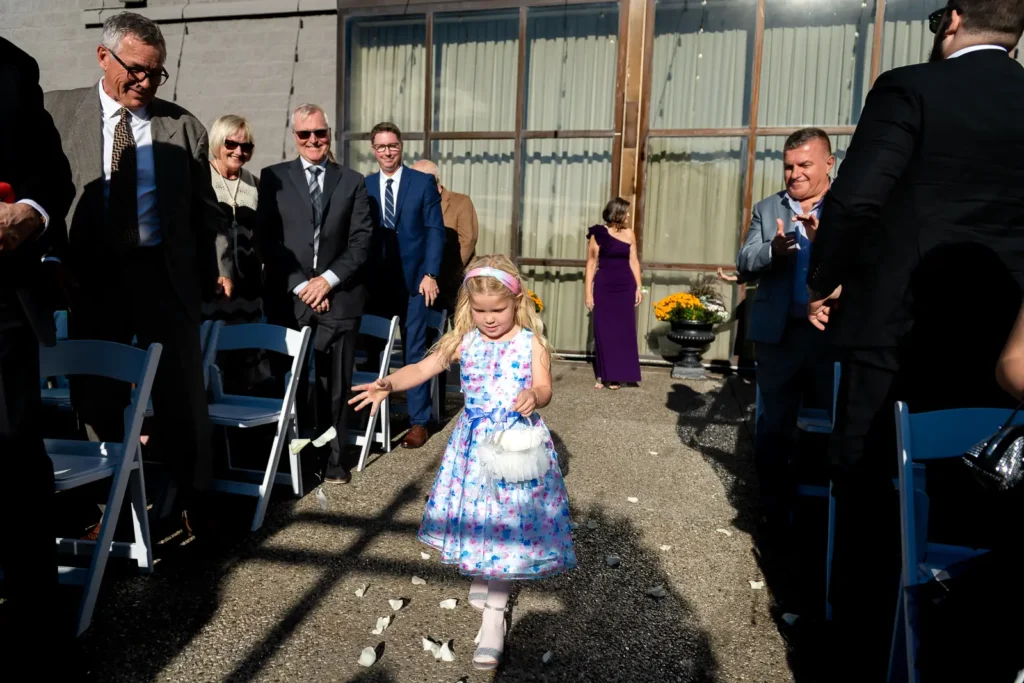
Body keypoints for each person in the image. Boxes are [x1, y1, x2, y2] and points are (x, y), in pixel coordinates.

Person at [803, 1, 1024, 678]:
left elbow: (857, 199)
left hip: (894, 335)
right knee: (979, 498)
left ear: (951, 20)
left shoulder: (911, 88)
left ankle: (860, 651)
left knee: (870, 497)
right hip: (1005, 348)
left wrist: (826, 277)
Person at [43, 11, 232, 534]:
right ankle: (96, 506)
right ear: (104, 57)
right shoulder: (57, 113)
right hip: (90, 282)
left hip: (163, 281)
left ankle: (193, 500)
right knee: (94, 398)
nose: (146, 83)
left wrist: (221, 264)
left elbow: (206, 208)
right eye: (138, 70)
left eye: (157, 73)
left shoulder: (182, 126)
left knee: (182, 398)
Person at [349, 254, 577, 670]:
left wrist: (535, 396)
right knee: (479, 515)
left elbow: (544, 388)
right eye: (480, 310)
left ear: (517, 300)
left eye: (498, 310)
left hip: (514, 445)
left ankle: (494, 619)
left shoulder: (531, 343)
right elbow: (422, 367)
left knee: (508, 523)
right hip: (473, 447)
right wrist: (389, 384)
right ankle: (483, 572)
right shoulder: (464, 340)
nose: (489, 319)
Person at [0, 35, 76, 651]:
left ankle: (35, 633)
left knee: (14, 463)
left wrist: (29, 211)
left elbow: (51, 174)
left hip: (1, 306)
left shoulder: (13, 68)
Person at [257, 103, 373, 485]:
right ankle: (292, 459)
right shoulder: (273, 177)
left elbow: (361, 241)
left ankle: (335, 461)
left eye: (319, 133)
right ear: (294, 137)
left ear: (329, 134)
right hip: (290, 297)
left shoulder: (353, 181)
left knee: (336, 385)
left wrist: (327, 280)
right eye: (304, 134)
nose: (313, 140)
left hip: (340, 298)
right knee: (286, 381)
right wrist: (305, 284)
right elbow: (267, 241)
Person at [736, 128, 835, 533]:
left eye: (804, 165)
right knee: (774, 424)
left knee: (834, 422)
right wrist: (770, 252)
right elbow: (743, 260)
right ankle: (774, 511)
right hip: (779, 335)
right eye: (788, 166)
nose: (794, 174)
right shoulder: (767, 208)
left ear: (829, 163)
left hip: (831, 333)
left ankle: (827, 508)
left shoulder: (849, 205)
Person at [363, 122, 445, 449]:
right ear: (373, 150)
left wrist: (431, 274)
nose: (387, 152)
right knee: (373, 349)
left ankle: (418, 422)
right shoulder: (364, 185)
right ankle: (369, 415)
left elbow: (435, 231)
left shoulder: (421, 182)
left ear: (401, 147)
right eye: (381, 147)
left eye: (392, 146)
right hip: (376, 283)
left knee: (414, 349)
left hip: (415, 282)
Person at [409, 158, 479, 317]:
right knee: (432, 330)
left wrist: (445, 272)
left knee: (459, 328)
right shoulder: (415, 204)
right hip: (427, 281)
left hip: (456, 277)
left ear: (434, 179)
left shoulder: (460, 201)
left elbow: (468, 240)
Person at [585, 197, 642, 390]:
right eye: (625, 212)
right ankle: (607, 375)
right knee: (605, 330)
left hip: (625, 286)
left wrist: (638, 286)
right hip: (604, 286)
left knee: (623, 330)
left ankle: (622, 373)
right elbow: (591, 263)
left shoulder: (629, 234)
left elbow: (634, 260)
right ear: (616, 213)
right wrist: (588, 293)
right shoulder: (598, 234)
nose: (628, 215)